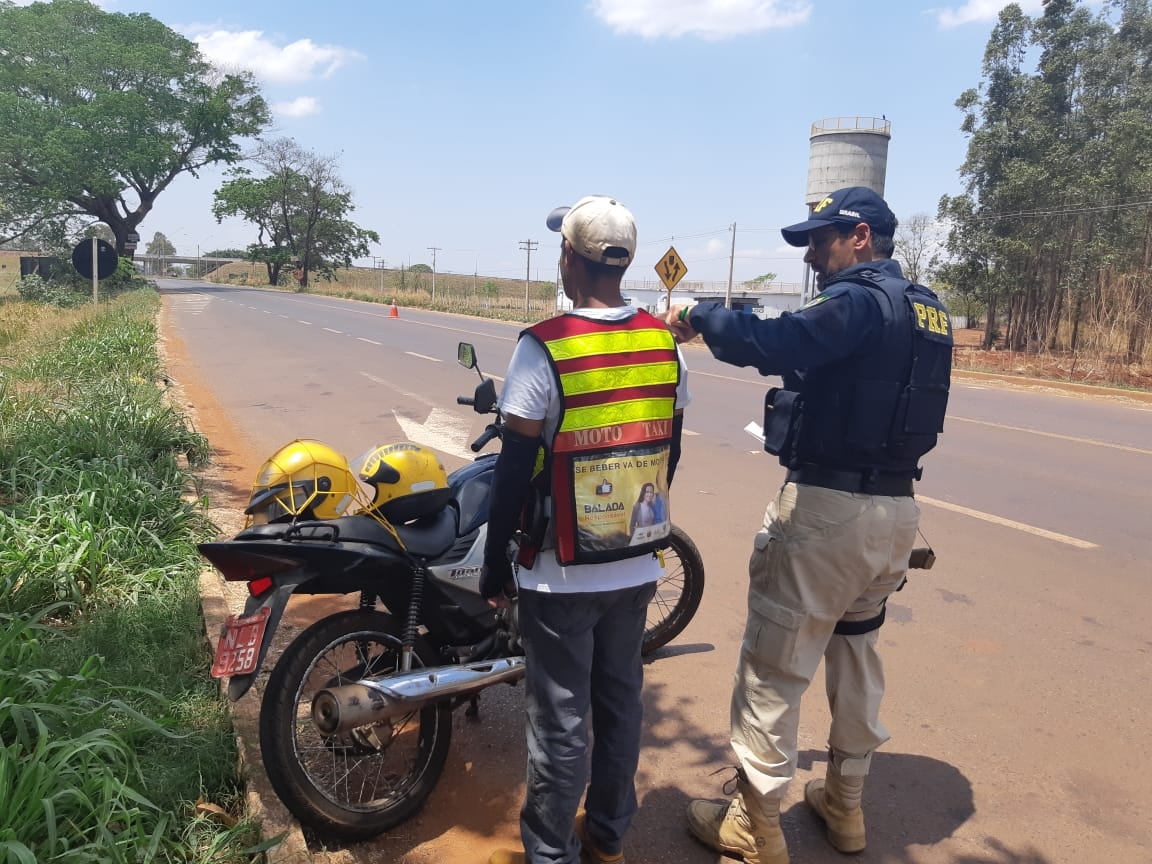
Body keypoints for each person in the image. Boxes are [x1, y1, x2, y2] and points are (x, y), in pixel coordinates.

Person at [666, 186, 952, 864]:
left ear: (860, 237)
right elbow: (847, 374)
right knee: (856, 655)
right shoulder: (927, 312)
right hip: (896, 516)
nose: (814, 256)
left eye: (822, 241)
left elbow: (779, 338)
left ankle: (753, 824)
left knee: (774, 665)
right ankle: (845, 809)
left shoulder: (855, 300)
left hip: (828, 513)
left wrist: (701, 316)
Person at [484, 195, 691, 864]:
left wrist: (496, 564)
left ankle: (550, 855)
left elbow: (512, 472)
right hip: (637, 560)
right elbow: (669, 451)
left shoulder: (545, 345)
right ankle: (607, 837)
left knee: (561, 721)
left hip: (560, 571)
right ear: (625, 262)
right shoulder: (663, 343)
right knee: (622, 702)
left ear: (569, 256)